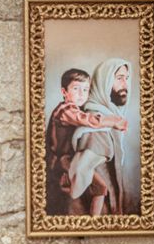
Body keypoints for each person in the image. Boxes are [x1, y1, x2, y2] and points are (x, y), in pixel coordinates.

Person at [46, 68, 128, 216]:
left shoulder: (78, 108)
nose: (81, 94)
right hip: (61, 160)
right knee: (71, 193)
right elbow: (85, 119)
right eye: (76, 89)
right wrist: (112, 121)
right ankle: (73, 200)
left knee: (101, 187)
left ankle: (93, 221)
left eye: (85, 90)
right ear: (64, 92)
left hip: (71, 159)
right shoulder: (65, 110)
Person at [69, 59, 132, 215]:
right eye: (119, 78)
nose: (125, 84)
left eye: (126, 78)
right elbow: (79, 178)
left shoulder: (106, 119)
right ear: (104, 82)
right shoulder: (96, 129)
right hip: (99, 213)